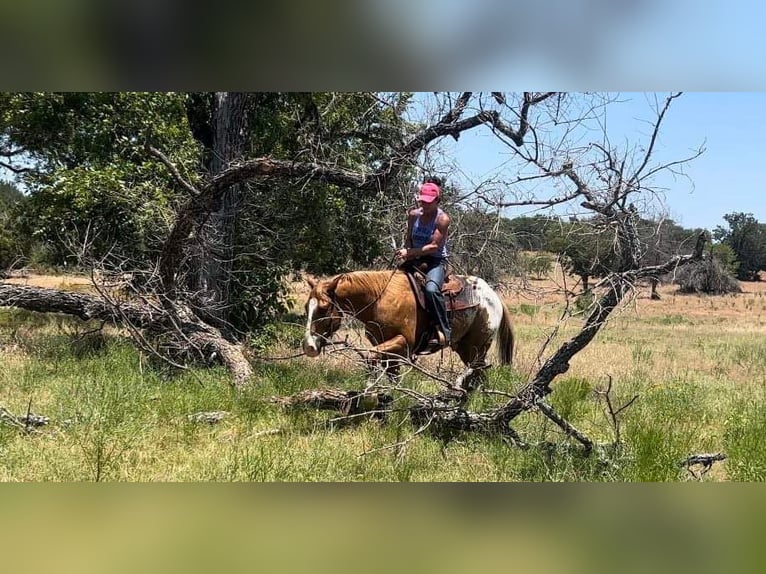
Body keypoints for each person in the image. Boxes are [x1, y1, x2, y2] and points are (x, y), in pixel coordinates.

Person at [394, 177, 451, 347]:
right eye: (422, 202)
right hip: (414, 258)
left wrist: (409, 252)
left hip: (434, 261)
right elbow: (409, 237)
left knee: (432, 290)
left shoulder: (442, 219)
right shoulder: (413, 215)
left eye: (428, 202)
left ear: (437, 201)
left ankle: (444, 330)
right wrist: (407, 253)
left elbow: (434, 246)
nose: (424, 205)